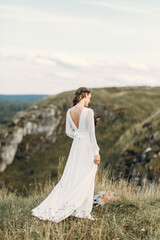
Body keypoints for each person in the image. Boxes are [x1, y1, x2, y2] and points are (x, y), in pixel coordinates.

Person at [31, 87, 101, 223]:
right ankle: (83, 211)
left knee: (73, 175)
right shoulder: (88, 112)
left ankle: (77, 207)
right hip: (87, 146)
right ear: (84, 95)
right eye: (89, 97)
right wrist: (96, 152)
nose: (89, 100)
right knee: (87, 175)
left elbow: (68, 132)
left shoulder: (69, 112)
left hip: (76, 146)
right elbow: (92, 135)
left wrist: (77, 135)